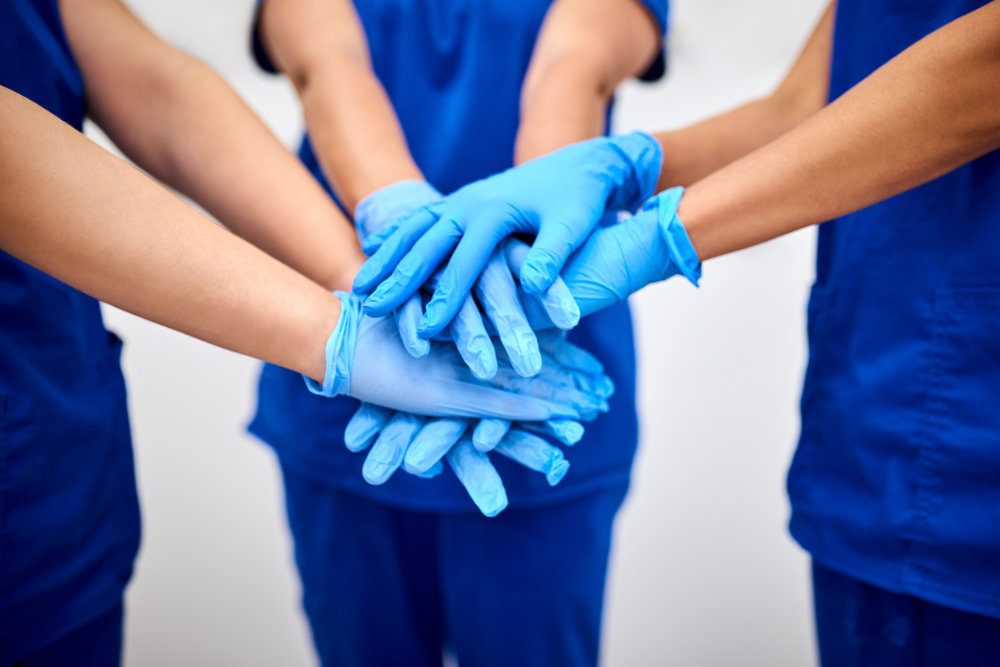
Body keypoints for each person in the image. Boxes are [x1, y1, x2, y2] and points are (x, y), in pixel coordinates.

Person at [357, 0, 1000, 663]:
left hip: (966, 457)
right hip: (878, 426)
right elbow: (815, 103)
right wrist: (625, 166)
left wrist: (659, 234)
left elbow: (986, 67)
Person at [0, 2, 606, 663]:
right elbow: (324, 61)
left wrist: (385, 279)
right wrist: (356, 311)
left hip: (57, 476)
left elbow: (156, 90)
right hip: (44, 463)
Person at [250, 0, 666, 664]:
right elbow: (327, 64)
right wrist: (404, 234)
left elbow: (574, 65)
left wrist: (532, 230)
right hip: (349, 359)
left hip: (541, 370)